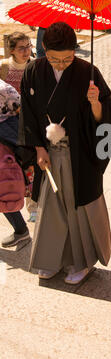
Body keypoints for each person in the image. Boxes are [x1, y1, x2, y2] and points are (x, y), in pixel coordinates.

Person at [18, 22, 111, 285]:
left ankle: (80, 262)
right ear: (44, 50)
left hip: (79, 153)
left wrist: (96, 103)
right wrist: (38, 148)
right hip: (48, 152)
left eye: (67, 59)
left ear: (75, 52)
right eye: (53, 59)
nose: (61, 64)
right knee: (51, 208)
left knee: (77, 209)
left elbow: (104, 119)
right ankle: (51, 260)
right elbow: (27, 113)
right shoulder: (33, 71)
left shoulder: (88, 72)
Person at [0, 32, 37, 223]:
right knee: (15, 165)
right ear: (12, 50)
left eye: (28, 45)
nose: (26, 51)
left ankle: (33, 206)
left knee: (30, 164)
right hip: (11, 126)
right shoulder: (4, 67)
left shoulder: (35, 65)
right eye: (21, 47)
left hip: (31, 121)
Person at [0, 78, 30, 247]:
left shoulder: (3, 89)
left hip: (5, 149)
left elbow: (24, 112)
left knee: (4, 188)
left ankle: (21, 230)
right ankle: (20, 229)